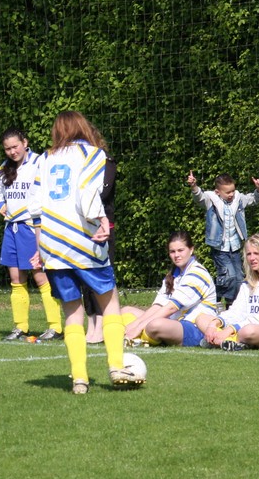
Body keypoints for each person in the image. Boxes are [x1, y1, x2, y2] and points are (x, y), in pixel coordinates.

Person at [27, 110, 134, 394]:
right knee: (110, 303)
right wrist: (101, 219)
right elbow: (88, 193)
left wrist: (40, 248)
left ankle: (79, 380)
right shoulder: (93, 154)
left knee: (72, 314)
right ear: (82, 127)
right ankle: (116, 366)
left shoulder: (43, 159)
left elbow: (34, 209)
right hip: (84, 242)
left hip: (53, 246)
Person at [0, 128, 63, 341]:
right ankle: (20, 327)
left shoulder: (40, 162)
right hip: (12, 228)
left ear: (25, 143)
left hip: (32, 227)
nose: (12, 152)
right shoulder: (5, 167)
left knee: (40, 276)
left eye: (15, 146)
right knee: (16, 278)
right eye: (8, 149)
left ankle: (55, 327)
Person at [121, 230, 218, 347]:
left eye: (180, 250)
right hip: (173, 321)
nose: (176, 255)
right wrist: (134, 324)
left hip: (194, 327)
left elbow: (171, 308)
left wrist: (139, 327)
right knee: (126, 311)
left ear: (191, 249)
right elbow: (158, 306)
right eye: (172, 251)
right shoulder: (173, 274)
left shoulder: (198, 273)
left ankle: (139, 337)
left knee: (154, 325)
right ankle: (132, 335)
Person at [187, 171, 259, 308]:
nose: (231, 194)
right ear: (218, 192)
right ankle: (215, 296)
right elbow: (199, 197)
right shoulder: (211, 200)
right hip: (220, 247)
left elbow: (254, 199)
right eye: (227, 192)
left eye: (233, 191)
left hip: (235, 246)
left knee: (239, 278)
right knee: (229, 275)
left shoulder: (238, 199)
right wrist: (194, 186)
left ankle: (231, 304)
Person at [83, 132, 116, 344]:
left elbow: (102, 194)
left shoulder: (107, 163)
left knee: (101, 276)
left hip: (103, 228)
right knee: (84, 277)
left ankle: (102, 325)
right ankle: (91, 323)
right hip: (82, 229)